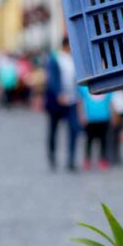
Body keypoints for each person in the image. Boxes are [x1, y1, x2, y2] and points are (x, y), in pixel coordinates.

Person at [44, 38, 80, 172]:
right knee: (53, 129)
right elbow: (52, 79)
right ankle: (52, 156)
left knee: (74, 129)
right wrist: (59, 94)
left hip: (72, 100)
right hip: (57, 101)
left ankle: (71, 159)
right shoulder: (55, 59)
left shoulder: (75, 60)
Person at [77, 85, 112, 171]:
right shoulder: (83, 88)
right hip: (90, 118)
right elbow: (80, 101)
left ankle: (103, 159)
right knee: (89, 140)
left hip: (104, 117)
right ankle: (87, 160)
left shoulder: (107, 86)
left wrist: (112, 115)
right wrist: (81, 115)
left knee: (103, 140)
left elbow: (110, 102)